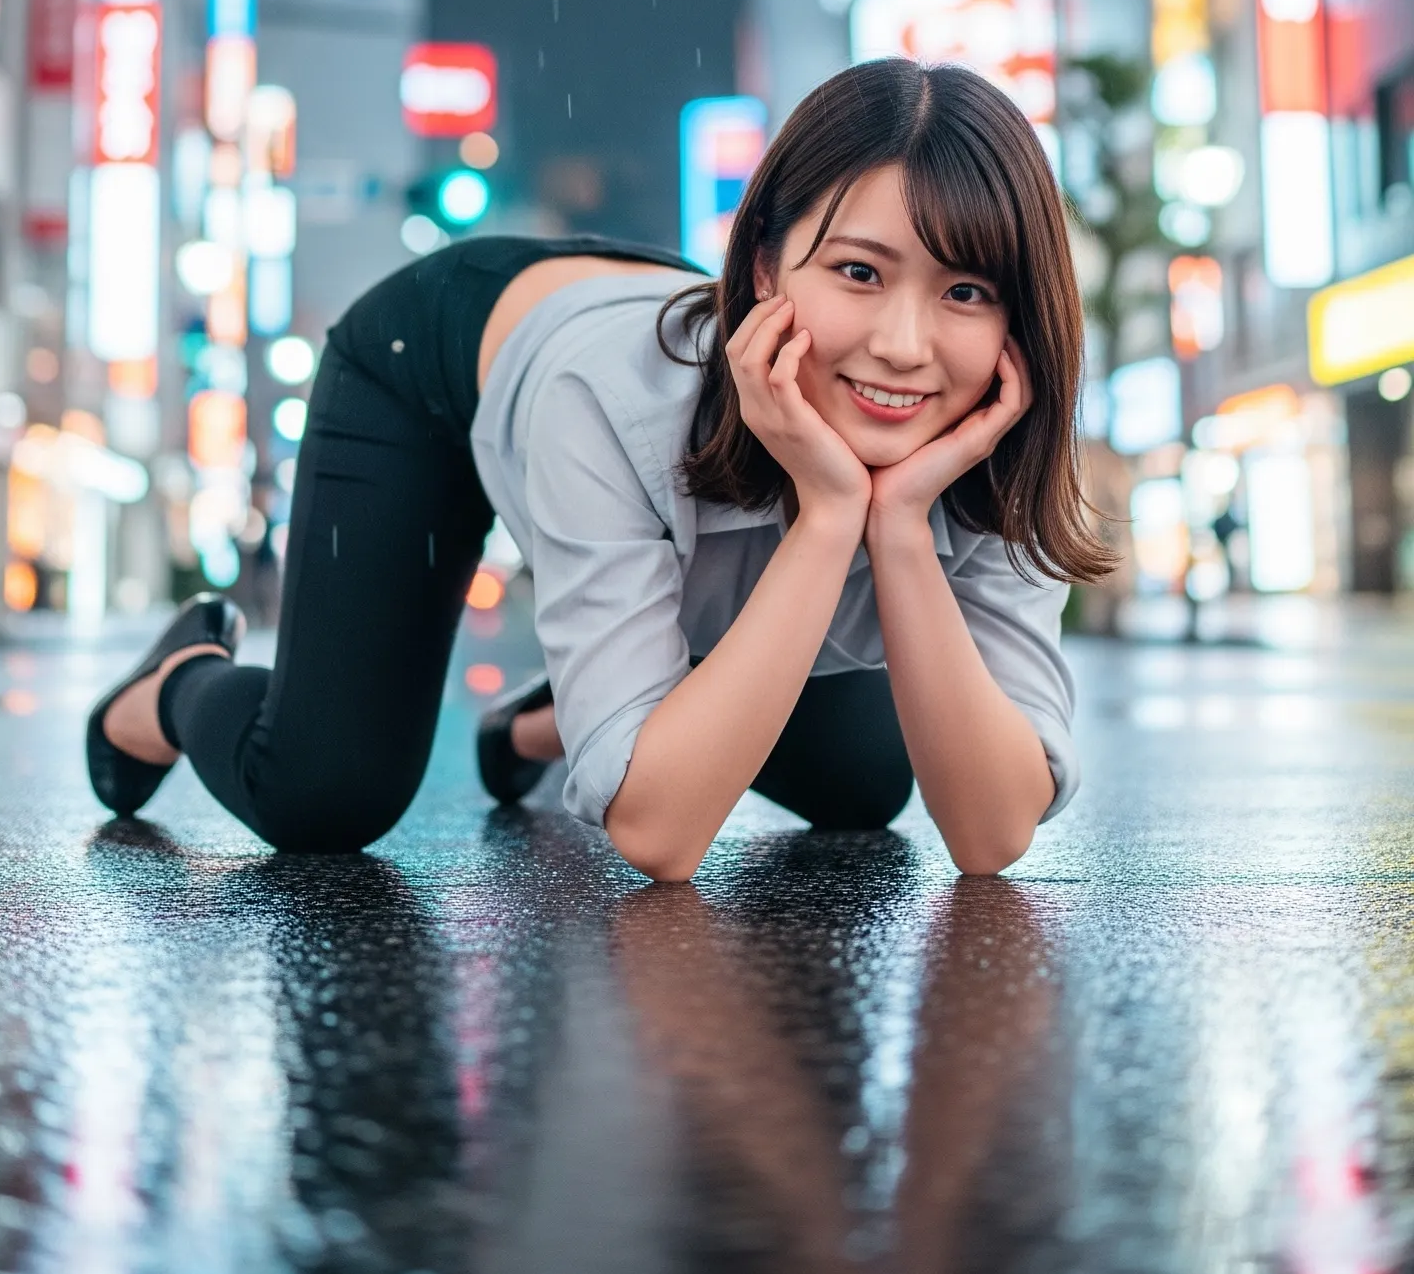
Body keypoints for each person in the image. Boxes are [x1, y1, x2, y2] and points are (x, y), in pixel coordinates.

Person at [86, 59, 1113, 879]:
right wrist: (833, 508)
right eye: (859, 271)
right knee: (323, 792)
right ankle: (175, 680)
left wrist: (894, 526)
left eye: (967, 289)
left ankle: (553, 721)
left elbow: (990, 831)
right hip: (440, 366)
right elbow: (660, 837)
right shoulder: (615, 405)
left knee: (862, 781)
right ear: (767, 266)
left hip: (642, 337)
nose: (903, 343)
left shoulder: (996, 425)